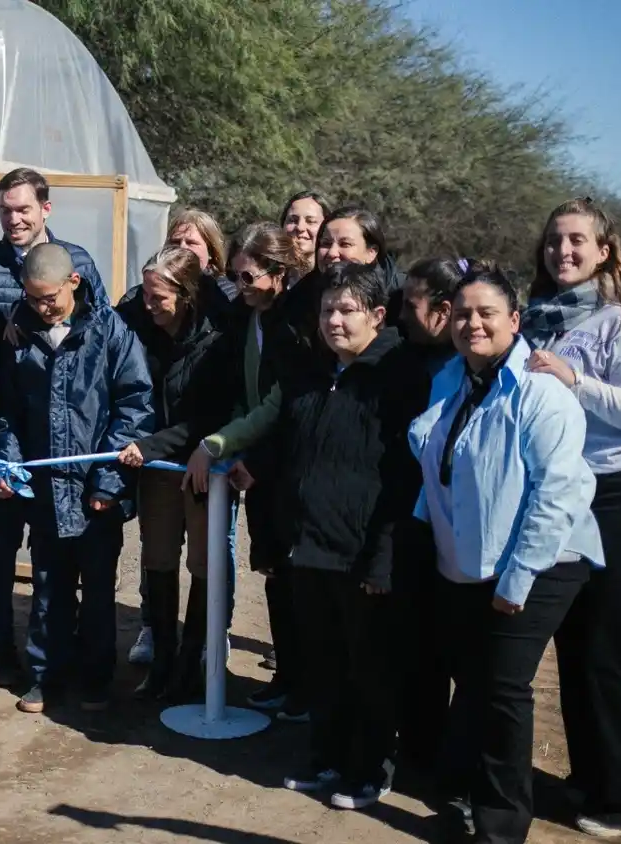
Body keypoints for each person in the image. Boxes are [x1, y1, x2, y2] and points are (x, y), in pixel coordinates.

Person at [407, 263, 603, 843]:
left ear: (515, 321)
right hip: (469, 555)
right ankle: (468, 787)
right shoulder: (450, 379)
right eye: (463, 313)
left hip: (545, 560)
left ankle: (500, 825)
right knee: (473, 676)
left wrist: (517, 580)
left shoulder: (542, 394)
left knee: (502, 687)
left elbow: (557, 493)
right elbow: (439, 466)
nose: (473, 324)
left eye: (487, 313)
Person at [230, 264, 429, 808]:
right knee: (324, 665)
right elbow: (291, 452)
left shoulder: (399, 378)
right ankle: (328, 759)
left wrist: (383, 558)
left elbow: (405, 478)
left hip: (361, 555)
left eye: (346, 311)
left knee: (370, 670)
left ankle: (370, 770)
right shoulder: (314, 375)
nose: (334, 321)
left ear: (378, 316)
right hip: (308, 549)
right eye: (326, 310)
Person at [521, 198, 621, 838]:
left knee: (615, 648)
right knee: (576, 643)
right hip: (565, 494)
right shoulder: (538, 320)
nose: (565, 251)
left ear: (604, 251)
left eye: (578, 240)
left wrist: (572, 379)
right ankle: (591, 777)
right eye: (555, 240)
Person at [0, 243, 153, 714]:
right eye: (33, 298)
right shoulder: (19, 333)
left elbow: (135, 406)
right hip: (44, 490)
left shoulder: (110, 332)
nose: (42, 307)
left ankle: (96, 679)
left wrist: (108, 483)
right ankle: (45, 676)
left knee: (99, 591)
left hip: (93, 492)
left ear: (73, 283)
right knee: (48, 587)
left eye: (50, 299)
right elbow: (10, 413)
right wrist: (12, 467)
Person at [0, 167, 109, 683]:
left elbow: (100, 337)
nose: (14, 219)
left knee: (64, 547)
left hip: (69, 430)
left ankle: (67, 651)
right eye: (5, 210)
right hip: (11, 426)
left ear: (45, 209)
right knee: (1, 541)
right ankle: (0, 643)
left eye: (23, 209)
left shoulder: (80, 261)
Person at [183, 223, 308, 721]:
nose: (243, 284)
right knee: (274, 573)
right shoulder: (244, 316)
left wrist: (223, 443)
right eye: (236, 275)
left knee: (299, 579)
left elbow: (281, 401)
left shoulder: (294, 323)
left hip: (284, 463)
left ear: (279, 273)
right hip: (253, 461)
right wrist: (237, 448)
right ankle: (289, 678)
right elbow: (243, 389)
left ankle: (308, 684)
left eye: (251, 275)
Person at [117, 247, 236, 701]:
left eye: (158, 297)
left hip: (201, 466)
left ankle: (192, 661)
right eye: (145, 294)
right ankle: (162, 661)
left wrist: (149, 447)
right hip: (157, 470)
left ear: (186, 296)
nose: (148, 304)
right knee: (158, 557)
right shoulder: (137, 326)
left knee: (204, 563)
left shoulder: (217, 338)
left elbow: (209, 414)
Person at [390, 256, 463, 783]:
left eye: (408, 306)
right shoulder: (405, 357)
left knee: (451, 650)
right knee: (414, 649)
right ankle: (418, 745)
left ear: (441, 311)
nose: (399, 316)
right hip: (410, 522)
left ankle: (449, 756)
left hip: (452, 529)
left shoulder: (460, 368)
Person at [279, 191, 332, 277]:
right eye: (293, 220)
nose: (300, 227)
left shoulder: (334, 284)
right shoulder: (269, 279)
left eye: (311, 221)